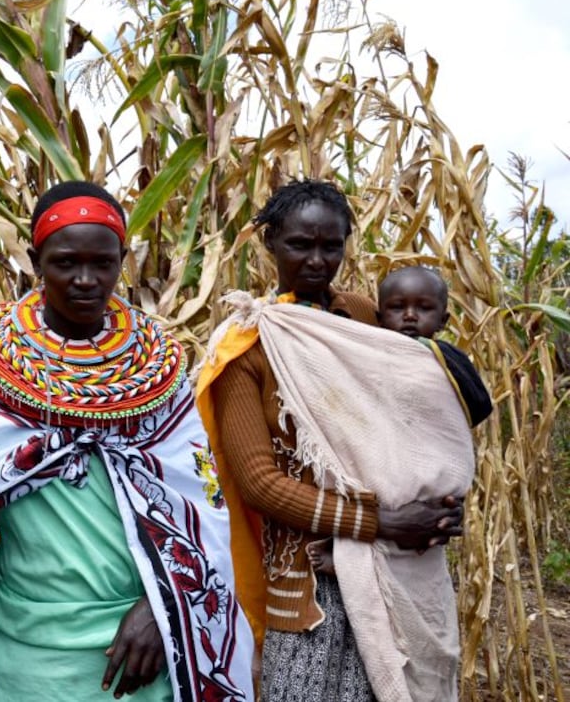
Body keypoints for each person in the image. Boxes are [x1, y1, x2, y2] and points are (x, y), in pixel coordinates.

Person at [0, 181, 255, 702]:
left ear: (123, 261)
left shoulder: (156, 367)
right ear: (35, 260)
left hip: (141, 648)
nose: (87, 280)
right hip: (24, 651)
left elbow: (200, 505)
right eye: (66, 263)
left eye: (104, 263)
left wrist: (165, 609)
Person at [194, 179, 471, 701]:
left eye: (331, 246)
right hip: (307, 580)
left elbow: (423, 418)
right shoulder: (247, 345)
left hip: (397, 562)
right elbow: (259, 482)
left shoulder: (370, 320)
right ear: (270, 242)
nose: (317, 260)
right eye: (300, 245)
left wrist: (443, 505)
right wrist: (379, 523)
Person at [307, 264, 492, 575]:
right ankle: (346, 553)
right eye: (397, 307)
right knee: (375, 493)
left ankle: (350, 555)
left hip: (430, 456)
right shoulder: (370, 353)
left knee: (425, 505)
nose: (409, 315)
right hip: (386, 451)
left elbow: (476, 404)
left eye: (423, 308)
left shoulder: (444, 359)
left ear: (443, 320)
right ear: (379, 319)